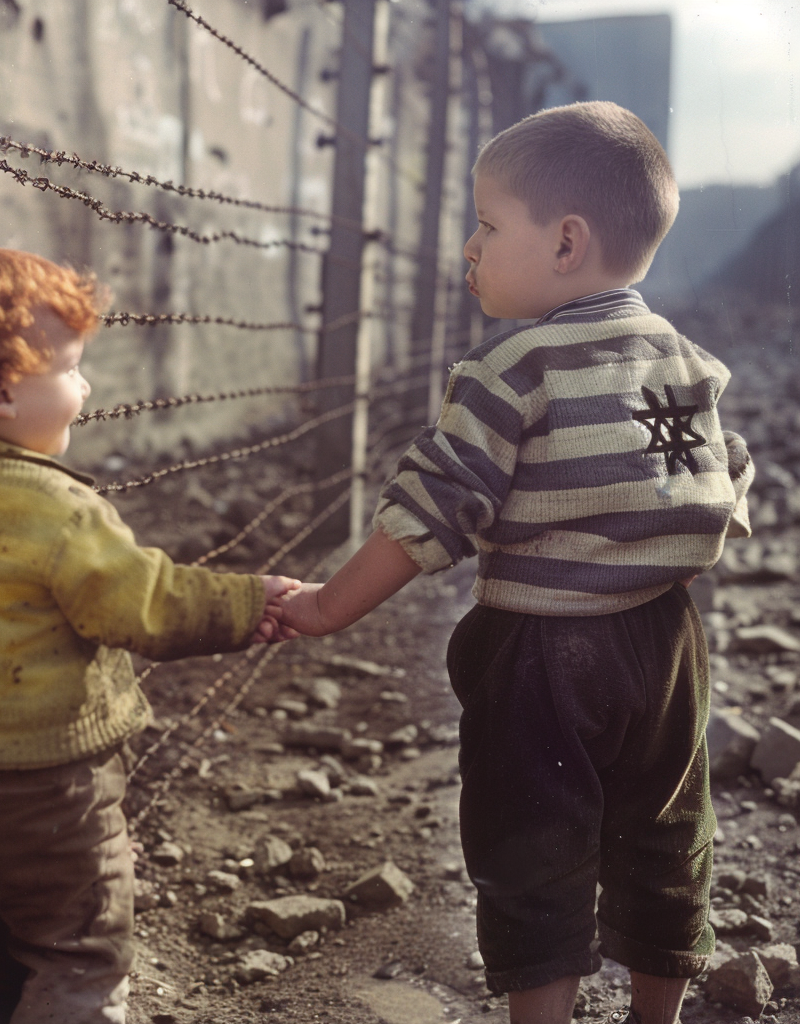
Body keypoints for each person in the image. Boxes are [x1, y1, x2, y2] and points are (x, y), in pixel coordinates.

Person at [278, 102, 753, 1024]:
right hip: (665, 647)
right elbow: (722, 480)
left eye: (489, 226)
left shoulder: (515, 368)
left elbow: (433, 507)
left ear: (567, 242)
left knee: (532, 844)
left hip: (540, 651)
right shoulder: (688, 363)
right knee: (666, 827)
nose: (470, 247)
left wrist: (330, 607)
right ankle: (656, 1012)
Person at [0, 246, 299, 1024]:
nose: (88, 386)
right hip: (51, 784)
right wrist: (242, 605)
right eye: (71, 369)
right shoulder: (58, 511)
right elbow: (142, 604)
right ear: (2, 391)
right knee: (79, 953)